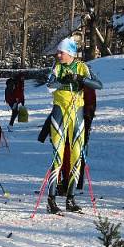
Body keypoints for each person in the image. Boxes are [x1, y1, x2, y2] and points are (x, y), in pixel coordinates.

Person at [40, 38, 102, 214]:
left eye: (61, 52)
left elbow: (99, 84)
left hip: (77, 113)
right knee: (58, 156)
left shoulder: (82, 66)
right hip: (59, 112)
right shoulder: (57, 67)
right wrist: (65, 81)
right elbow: (50, 86)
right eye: (58, 52)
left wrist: (80, 79)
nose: (58, 55)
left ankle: (71, 198)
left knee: (76, 156)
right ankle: (51, 200)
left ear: (71, 53)